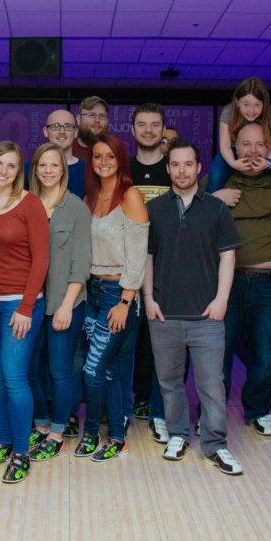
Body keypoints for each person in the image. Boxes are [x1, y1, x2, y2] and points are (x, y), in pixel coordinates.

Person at [143, 138, 244, 474]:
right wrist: (148, 298)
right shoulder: (155, 209)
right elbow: (147, 257)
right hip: (164, 313)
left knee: (212, 385)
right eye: (175, 164)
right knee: (169, 382)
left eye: (188, 164)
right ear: (168, 168)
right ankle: (178, 435)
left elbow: (227, 255)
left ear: (199, 168)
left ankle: (216, 445)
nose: (182, 170)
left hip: (206, 315)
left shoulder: (216, 208)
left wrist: (221, 300)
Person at [214, 122, 271, 438]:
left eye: (260, 144)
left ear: (269, 149)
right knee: (219, 353)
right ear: (234, 147)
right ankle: (212, 415)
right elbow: (183, 198)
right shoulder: (221, 178)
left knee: (263, 355)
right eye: (246, 144)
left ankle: (258, 411)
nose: (253, 151)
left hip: (268, 281)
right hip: (227, 283)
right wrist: (214, 195)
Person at [0, 141, 50, 483]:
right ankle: (3, 442)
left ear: (19, 171)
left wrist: (26, 306)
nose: (4, 171)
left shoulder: (29, 203)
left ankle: (21, 451)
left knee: (14, 375)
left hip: (21, 303)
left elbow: (42, 259)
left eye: (12, 166)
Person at [75, 132, 148, 462]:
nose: (103, 162)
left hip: (119, 294)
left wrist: (125, 301)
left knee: (92, 370)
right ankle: (117, 437)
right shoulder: (91, 197)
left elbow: (138, 253)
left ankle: (91, 433)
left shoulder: (130, 195)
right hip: (93, 293)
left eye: (110, 156)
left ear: (121, 160)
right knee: (110, 371)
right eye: (97, 157)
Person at [26, 142, 90, 461]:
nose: (49, 171)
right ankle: (40, 425)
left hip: (66, 303)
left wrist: (66, 305)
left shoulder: (76, 207)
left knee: (60, 372)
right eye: (43, 165)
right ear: (35, 169)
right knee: (29, 371)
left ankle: (57, 432)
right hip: (33, 303)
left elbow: (81, 263)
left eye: (55, 165)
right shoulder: (26, 203)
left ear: (64, 170)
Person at [127, 103, 172, 427]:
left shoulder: (176, 168)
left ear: (162, 130)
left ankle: (155, 404)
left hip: (167, 271)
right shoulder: (124, 169)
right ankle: (133, 400)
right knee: (132, 342)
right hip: (128, 269)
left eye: (154, 125)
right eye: (142, 125)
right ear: (133, 130)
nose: (148, 130)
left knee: (161, 344)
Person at [210, 78, 271, 225]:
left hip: (266, 153)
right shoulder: (228, 111)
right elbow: (225, 145)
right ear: (237, 102)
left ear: (264, 104)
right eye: (246, 105)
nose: (251, 111)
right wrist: (233, 163)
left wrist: (269, 162)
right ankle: (210, 218)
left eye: (257, 105)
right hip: (233, 150)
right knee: (216, 171)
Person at [44, 108, 87, 199]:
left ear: (75, 132)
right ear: (46, 132)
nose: (62, 132)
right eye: (55, 126)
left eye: (67, 126)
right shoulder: (29, 170)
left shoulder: (88, 171)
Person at [72, 96, 109, 165]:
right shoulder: (67, 152)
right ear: (79, 119)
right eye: (91, 115)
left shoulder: (114, 152)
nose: (97, 120)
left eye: (102, 116)